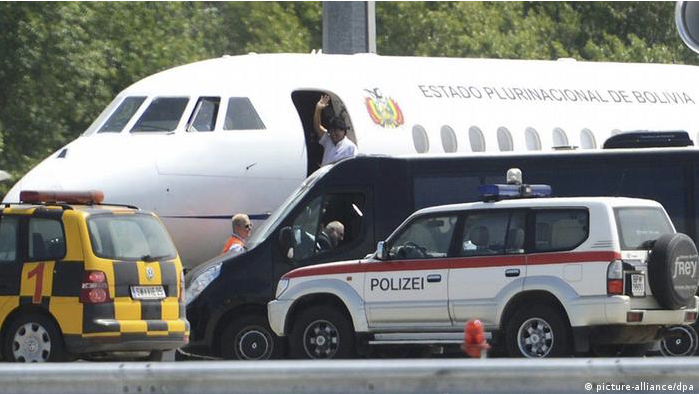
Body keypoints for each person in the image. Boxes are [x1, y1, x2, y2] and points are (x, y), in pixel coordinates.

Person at [313, 94, 358, 166]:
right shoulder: (328, 140)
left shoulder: (350, 148)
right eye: (331, 131)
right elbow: (317, 126)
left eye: (336, 130)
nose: (333, 134)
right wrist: (318, 109)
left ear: (343, 131)